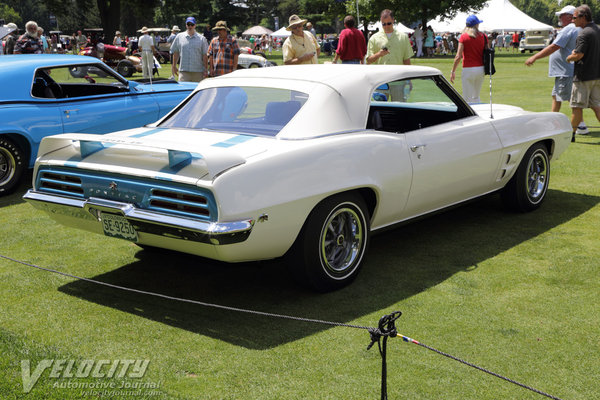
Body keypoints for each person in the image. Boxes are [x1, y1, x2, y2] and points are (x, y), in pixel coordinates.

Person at [524, 5, 588, 135]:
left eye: (562, 15)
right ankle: (553, 122)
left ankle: (580, 125)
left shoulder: (569, 29)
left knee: (572, 100)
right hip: (565, 71)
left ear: (570, 17)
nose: (559, 17)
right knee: (557, 96)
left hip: (566, 71)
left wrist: (535, 57)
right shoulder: (577, 28)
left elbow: (554, 47)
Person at [566, 5, 600, 142]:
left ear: (583, 17)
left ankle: (571, 135)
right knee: (597, 106)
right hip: (596, 76)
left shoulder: (584, 33)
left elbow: (579, 55)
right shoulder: (597, 29)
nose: (572, 20)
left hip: (583, 77)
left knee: (577, 107)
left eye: (574, 18)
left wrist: (569, 57)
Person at [450, 15, 487, 104]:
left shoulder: (463, 37)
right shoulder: (484, 36)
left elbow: (458, 56)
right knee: (476, 97)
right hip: (481, 68)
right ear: (476, 25)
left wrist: (453, 71)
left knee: (467, 99)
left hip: (468, 69)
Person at [171, 17, 209, 82]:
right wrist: (174, 66)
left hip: (198, 72)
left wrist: (205, 69)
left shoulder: (202, 39)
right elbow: (176, 52)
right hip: (184, 71)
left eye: (192, 24)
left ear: (195, 25)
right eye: (188, 24)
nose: (190, 26)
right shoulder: (179, 37)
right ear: (186, 25)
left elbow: (204, 55)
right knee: (183, 91)